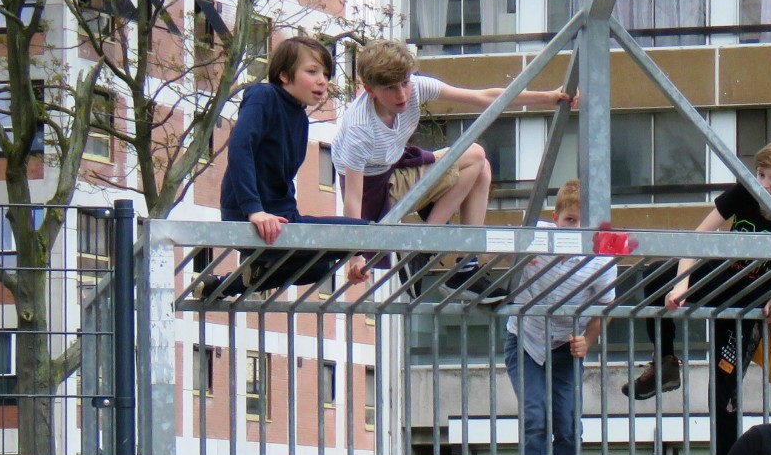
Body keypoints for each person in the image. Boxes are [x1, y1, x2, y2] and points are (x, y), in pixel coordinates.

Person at [331, 41, 576, 295]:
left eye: (404, 83)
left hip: (398, 169)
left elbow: (482, 97)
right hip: (375, 191)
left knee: (482, 169)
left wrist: (547, 96)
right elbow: (353, 197)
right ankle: (424, 248)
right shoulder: (360, 128)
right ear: (370, 90)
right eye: (391, 89)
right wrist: (356, 254)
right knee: (475, 155)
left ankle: (465, 266)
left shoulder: (416, 87)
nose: (402, 95)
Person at [624, 141, 771, 455]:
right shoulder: (742, 195)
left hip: (749, 302)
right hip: (723, 277)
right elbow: (696, 238)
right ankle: (667, 361)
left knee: (723, 392)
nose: (764, 185)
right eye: (760, 175)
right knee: (657, 277)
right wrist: (681, 285)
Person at [207, 35, 367, 297]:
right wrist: (254, 211)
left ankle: (224, 284)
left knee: (319, 267)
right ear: (284, 75)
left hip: (281, 218)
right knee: (366, 231)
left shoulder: (300, 119)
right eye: (312, 71)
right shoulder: (263, 95)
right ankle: (256, 267)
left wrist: (356, 254)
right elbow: (240, 148)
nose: (322, 81)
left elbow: (282, 178)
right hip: (249, 214)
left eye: (326, 74)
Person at [503, 181, 616, 455]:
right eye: (569, 221)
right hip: (525, 339)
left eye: (583, 224)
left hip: (565, 346)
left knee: (568, 427)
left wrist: (589, 341)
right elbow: (499, 251)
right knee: (535, 419)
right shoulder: (537, 235)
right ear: (555, 218)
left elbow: (604, 308)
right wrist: (517, 256)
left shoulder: (603, 254)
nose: (575, 230)